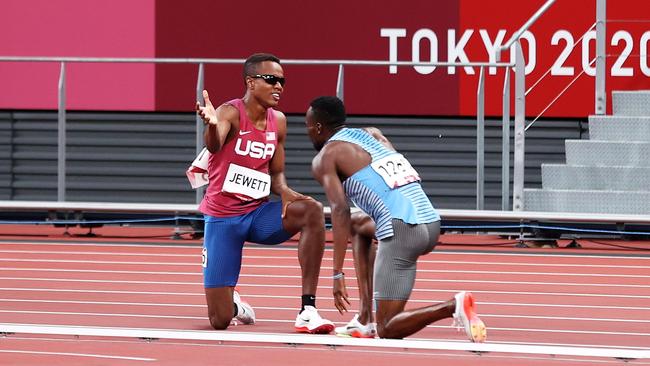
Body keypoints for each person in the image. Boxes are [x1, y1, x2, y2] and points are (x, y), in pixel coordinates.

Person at [305, 96, 487, 342]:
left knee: (388, 328)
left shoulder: (325, 157)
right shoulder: (373, 134)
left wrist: (337, 273)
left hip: (403, 230)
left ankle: (453, 306)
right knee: (359, 226)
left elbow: (340, 211)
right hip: (430, 222)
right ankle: (365, 317)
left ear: (317, 127)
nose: (307, 133)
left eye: (307, 127)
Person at [194, 53, 334, 334]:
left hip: (258, 214)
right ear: (251, 82)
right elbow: (214, 144)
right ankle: (235, 306)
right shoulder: (229, 112)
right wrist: (210, 125)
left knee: (313, 210)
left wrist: (284, 191)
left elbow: (276, 173)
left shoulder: (278, 121)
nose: (279, 86)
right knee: (219, 321)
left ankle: (308, 309)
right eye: (271, 80)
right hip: (223, 219)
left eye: (282, 81)